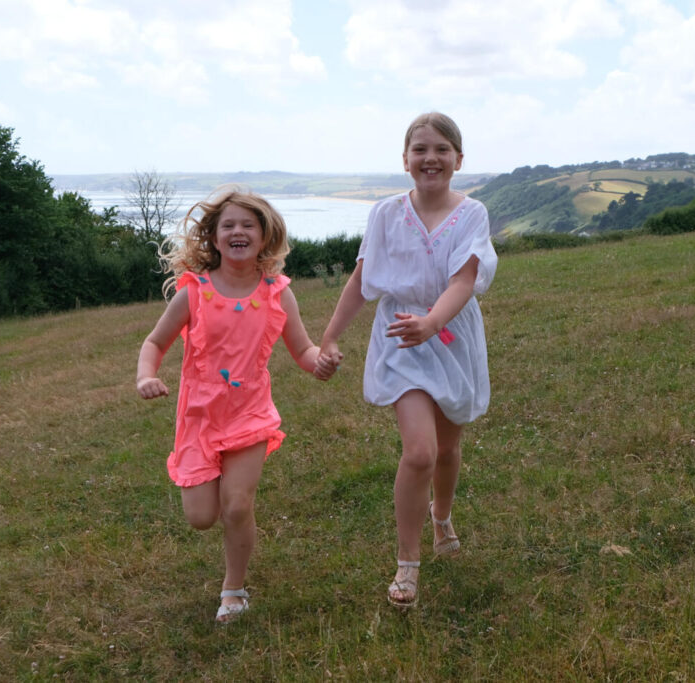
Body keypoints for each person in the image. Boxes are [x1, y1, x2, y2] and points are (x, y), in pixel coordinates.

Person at [136, 187, 341, 623]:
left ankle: (234, 588)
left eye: (249, 224)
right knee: (202, 517)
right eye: (228, 225)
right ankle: (230, 560)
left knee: (237, 505)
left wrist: (319, 364)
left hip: (250, 415)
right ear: (213, 237)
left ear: (265, 236)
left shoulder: (277, 295)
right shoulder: (194, 293)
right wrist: (146, 375)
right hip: (199, 419)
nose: (238, 231)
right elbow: (155, 342)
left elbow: (303, 350)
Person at [320, 112, 497, 609]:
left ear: (458, 159)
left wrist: (433, 323)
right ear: (405, 160)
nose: (430, 158)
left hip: (451, 336)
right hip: (401, 339)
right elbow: (361, 279)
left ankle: (442, 519)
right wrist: (330, 338)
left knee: (446, 449)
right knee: (419, 451)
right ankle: (408, 562)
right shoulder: (384, 214)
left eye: (441, 149)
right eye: (420, 149)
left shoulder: (473, 214)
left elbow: (464, 280)